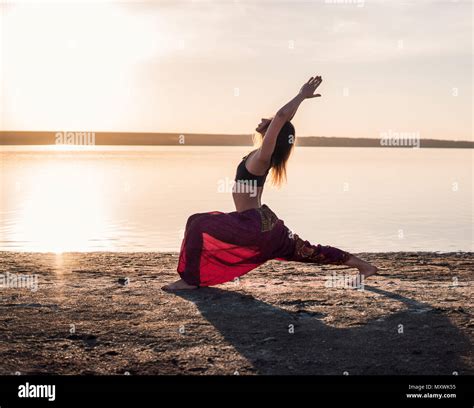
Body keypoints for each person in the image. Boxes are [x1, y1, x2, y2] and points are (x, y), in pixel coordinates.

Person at [162, 76, 378, 291]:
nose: (265, 119)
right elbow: (283, 119)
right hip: (268, 225)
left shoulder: (262, 157)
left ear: (273, 133)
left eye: (270, 120)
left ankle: (189, 281)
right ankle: (363, 266)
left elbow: (282, 117)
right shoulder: (262, 156)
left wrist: (301, 95)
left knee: (197, 222)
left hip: (251, 225)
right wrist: (298, 103)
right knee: (309, 251)